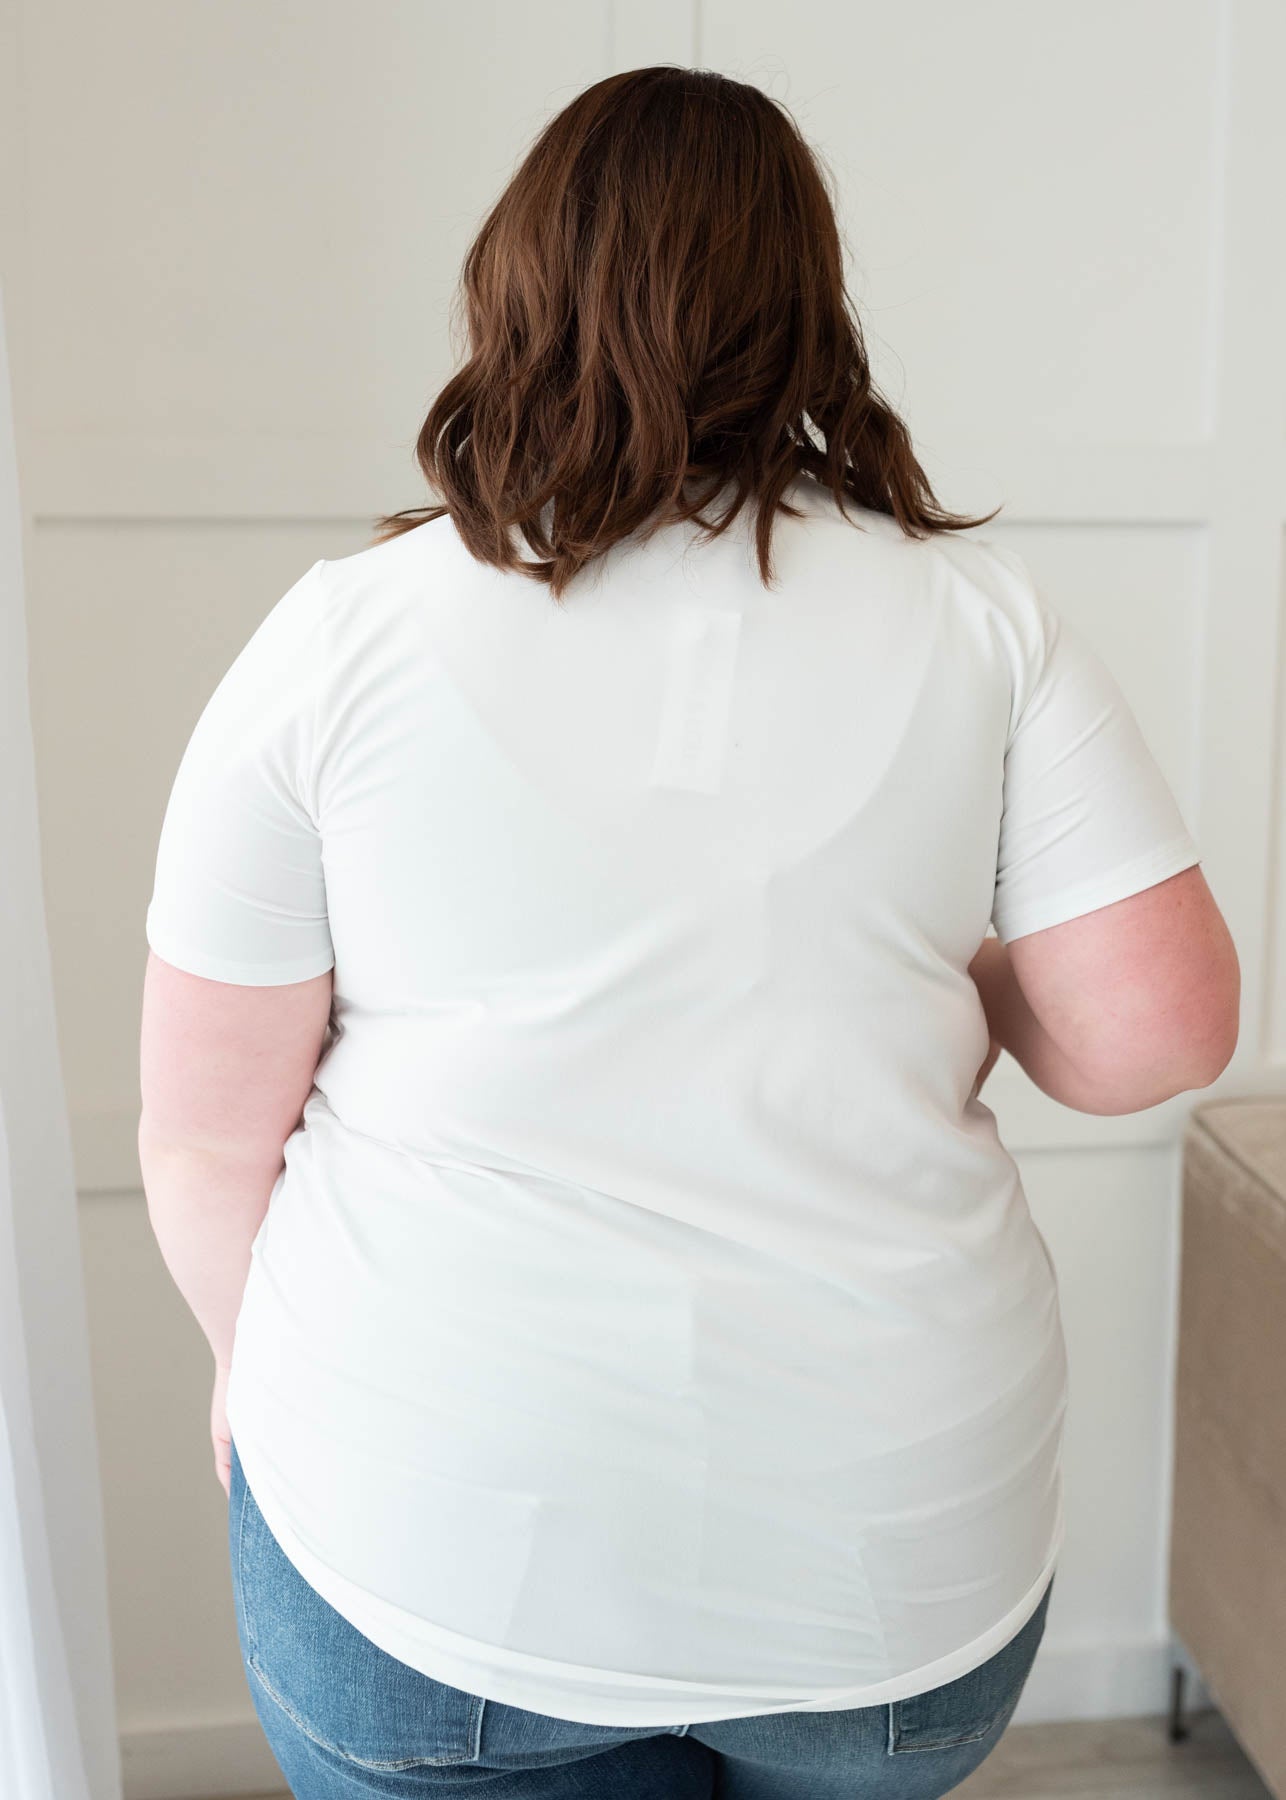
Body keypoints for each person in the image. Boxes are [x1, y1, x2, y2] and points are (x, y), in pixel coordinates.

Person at [138, 63, 1240, 1800]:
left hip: (433, 1539)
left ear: (514, 291)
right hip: (883, 1574)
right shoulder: (978, 624)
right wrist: (935, 962)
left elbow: (207, 1129)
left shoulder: (340, 640)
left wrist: (240, 1374)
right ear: (810, 309)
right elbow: (1155, 1035)